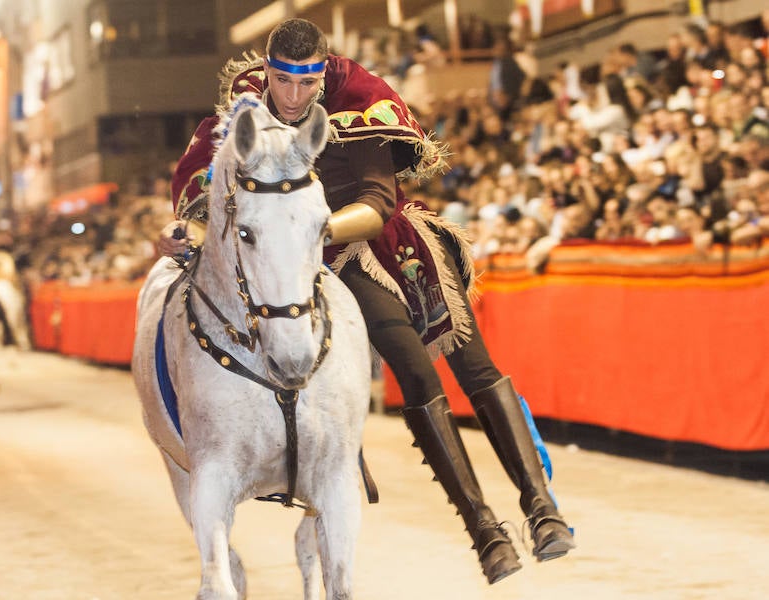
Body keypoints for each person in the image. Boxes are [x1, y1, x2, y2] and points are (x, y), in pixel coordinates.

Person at [159, 18, 575, 585]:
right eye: (283, 81)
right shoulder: (240, 119)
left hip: (384, 240)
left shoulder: (359, 98)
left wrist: (309, 227)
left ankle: (542, 507)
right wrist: (187, 229)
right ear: (268, 71)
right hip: (327, 264)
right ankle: (484, 531)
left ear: (322, 75)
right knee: (415, 373)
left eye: (306, 84)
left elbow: (379, 199)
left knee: (476, 367)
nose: (293, 96)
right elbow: (203, 198)